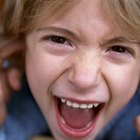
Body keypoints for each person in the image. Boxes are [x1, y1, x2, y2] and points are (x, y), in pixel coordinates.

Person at [0, 0, 140, 140]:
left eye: (119, 49)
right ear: (19, 47)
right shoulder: (14, 103)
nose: (84, 80)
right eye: (58, 40)